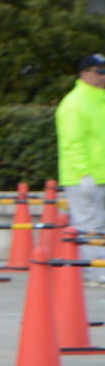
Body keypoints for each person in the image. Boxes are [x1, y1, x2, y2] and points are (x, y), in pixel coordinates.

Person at [57, 52, 105, 285]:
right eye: (99, 72)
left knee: (98, 225)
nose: (103, 77)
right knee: (89, 225)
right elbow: (71, 142)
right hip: (84, 177)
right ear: (84, 74)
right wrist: (83, 172)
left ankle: (98, 269)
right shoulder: (75, 103)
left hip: (101, 174)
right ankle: (94, 272)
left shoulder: (100, 100)